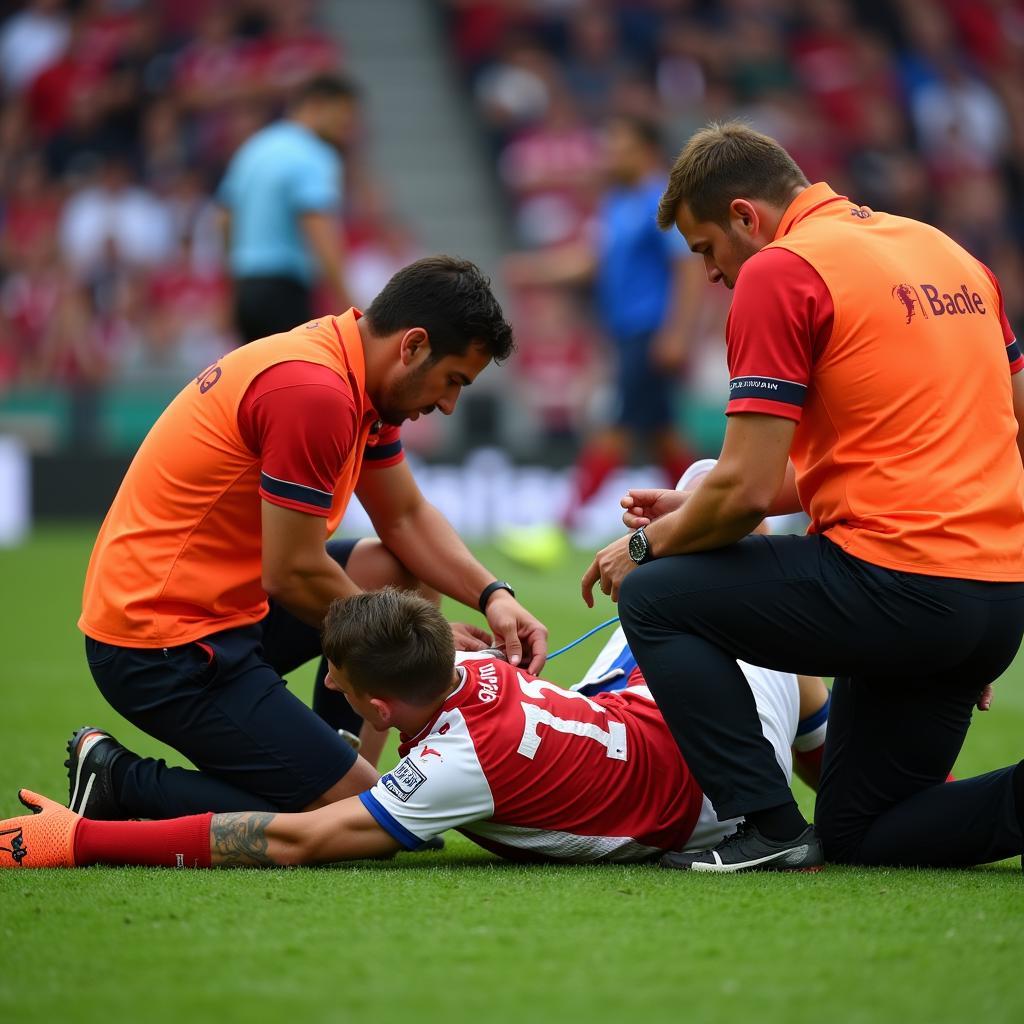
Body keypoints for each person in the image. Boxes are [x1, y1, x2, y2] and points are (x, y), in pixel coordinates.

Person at [582, 121, 1024, 872]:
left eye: (707, 252)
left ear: (745, 218)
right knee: (865, 834)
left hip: (896, 587)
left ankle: (768, 827)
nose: (715, 277)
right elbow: (1007, 426)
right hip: (993, 601)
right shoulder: (947, 252)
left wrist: (643, 546)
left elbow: (747, 491)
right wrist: (697, 509)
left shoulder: (781, 270)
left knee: (657, 595)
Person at [66, 255, 547, 825]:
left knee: (395, 572)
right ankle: (119, 781)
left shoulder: (358, 371)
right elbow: (292, 571)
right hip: (162, 640)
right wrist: (423, 639)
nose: (448, 404)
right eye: (453, 381)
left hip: (225, 608)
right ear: (413, 346)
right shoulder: (314, 392)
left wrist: (495, 595)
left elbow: (406, 519)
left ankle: (326, 757)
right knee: (360, 814)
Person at [1, 588, 829, 870]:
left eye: (338, 675)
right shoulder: (468, 674)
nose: (326, 681)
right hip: (652, 711)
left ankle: (860, 798)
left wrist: (82, 843)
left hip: (713, 790)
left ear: (383, 702)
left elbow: (293, 841)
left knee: (757, 641)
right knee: (689, 571)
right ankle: (838, 759)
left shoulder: (454, 765)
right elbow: (383, 750)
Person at [504, 113, 705, 532]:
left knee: (615, 424)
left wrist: (677, 334)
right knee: (662, 433)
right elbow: (590, 261)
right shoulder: (617, 203)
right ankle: (704, 515)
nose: (610, 155)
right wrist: (535, 271)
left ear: (646, 151)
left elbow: (687, 267)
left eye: (620, 146)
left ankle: (562, 525)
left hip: (650, 333)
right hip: (627, 334)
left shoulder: (659, 202)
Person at [218, 73, 358, 343]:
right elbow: (318, 227)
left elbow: (223, 218)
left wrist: (231, 287)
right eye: (343, 117)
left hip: (246, 290)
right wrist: (348, 301)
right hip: (284, 290)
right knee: (295, 380)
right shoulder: (315, 154)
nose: (346, 128)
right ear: (317, 105)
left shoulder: (255, 147)